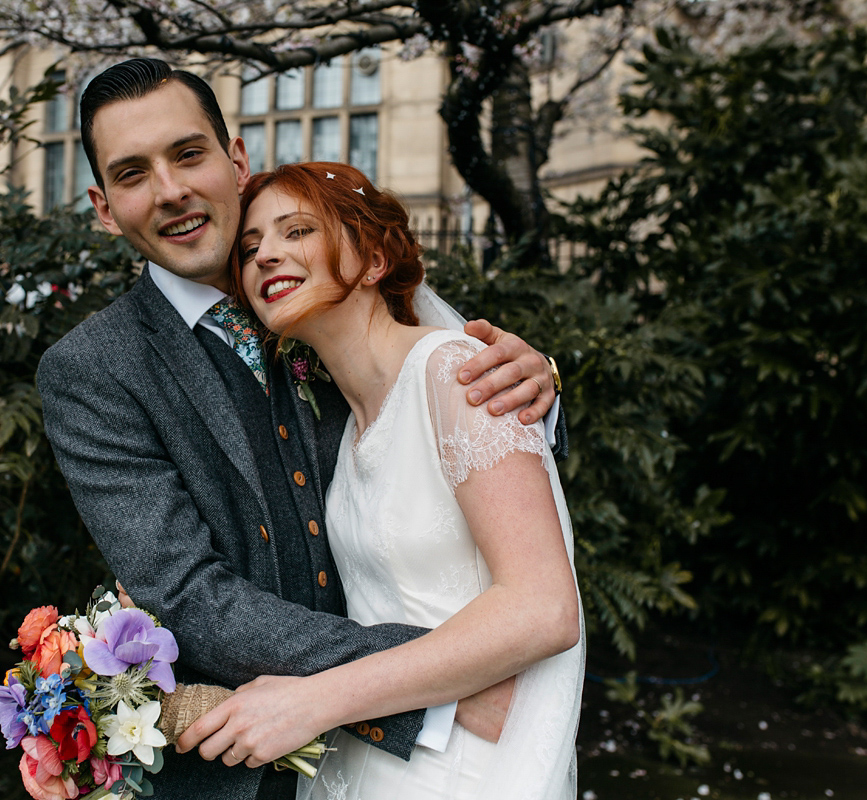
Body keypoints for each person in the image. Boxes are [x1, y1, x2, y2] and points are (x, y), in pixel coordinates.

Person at [37, 58, 566, 800]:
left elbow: (436, 406)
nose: (171, 191)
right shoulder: (91, 371)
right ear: (102, 205)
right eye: (132, 173)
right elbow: (189, 594)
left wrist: (530, 388)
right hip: (235, 766)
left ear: (236, 159)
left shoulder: (327, 294)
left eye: (189, 154)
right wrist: (435, 679)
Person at [178, 161, 585, 799]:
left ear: (371, 261)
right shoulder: (341, 421)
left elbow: (545, 610)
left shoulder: (455, 373)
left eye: (297, 231)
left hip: (464, 770)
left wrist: (316, 701)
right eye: (251, 247)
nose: (265, 256)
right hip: (370, 761)